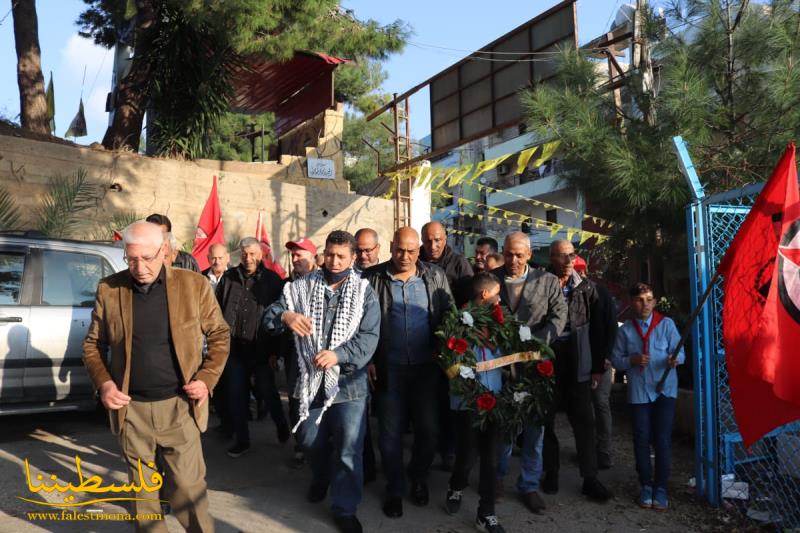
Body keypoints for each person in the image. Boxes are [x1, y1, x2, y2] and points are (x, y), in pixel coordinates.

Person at [82, 221, 230, 533]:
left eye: (147, 258)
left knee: (189, 491)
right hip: (131, 410)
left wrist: (206, 378)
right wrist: (104, 384)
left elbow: (219, 335)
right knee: (143, 497)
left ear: (164, 250)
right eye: (131, 258)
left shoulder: (193, 285)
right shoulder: (110, 289)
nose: (139, 267)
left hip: (179, 407)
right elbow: (93, 345)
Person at [263, 231, 380, 533]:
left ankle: (344, 507)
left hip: (349, 384)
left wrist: (339, 355)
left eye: (342, 256)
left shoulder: (364, 291)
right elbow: (270, 318)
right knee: (308, 440)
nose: (334, 261)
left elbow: (369, 339)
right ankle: (321, 477)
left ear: (354, 258)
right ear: (323, 254)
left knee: (348, 449)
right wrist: (286, 316)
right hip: (309, 381)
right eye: (330, 254)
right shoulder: (300, 286)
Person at [363, 227, 454, 519]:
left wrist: (446, 349)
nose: (405, 256)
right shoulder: (372, 278)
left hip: (426, 370)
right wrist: (368, 358)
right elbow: (359, 323)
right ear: (391, 246)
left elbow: (449, 315)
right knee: (389, 436)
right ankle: (395, 488)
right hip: (389, 369)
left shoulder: (434, 276)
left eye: (411, 251)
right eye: (400, 249)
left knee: (429, 431)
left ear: (420, 251)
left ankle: (418, 478)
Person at [490, 232, 566, 515]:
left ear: (530, 255)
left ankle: (529, 485)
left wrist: (537, 344)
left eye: (519, 255)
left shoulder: (546, 281)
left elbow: (559, 316)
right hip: (502, 366)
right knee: (504, 426)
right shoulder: (491, 279)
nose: (513, 260)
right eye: (509, 253)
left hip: (536, 366)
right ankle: (497, 478)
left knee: (535, 428)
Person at [540, 240, 616, 502]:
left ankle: (590, 477)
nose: (570, 260)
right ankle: (551, 471)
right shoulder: (540, 283)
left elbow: (603, 329)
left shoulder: (589, 289)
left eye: (572, 254)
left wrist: (598, 366)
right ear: (552, 258)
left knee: (585, 420)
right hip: (548, 357)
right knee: (545, 418)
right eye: (563, 256)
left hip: (579, 360)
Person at [610, 282, 684, 510]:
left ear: (654, 301)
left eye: (649, 299)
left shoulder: (667, 325)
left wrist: (675, 359)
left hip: (665, 389)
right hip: (639, 390)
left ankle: (661, 487)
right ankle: (646, 485)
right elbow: (615, 360)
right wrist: (630, 360)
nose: (645, 304)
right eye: (640, 300)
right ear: (631, 302)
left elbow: (680, 352)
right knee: (641, 438)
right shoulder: (625, 331)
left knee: (662, 439)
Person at [445, 272, 507, 533]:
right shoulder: (457, 322)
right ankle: (456, 486)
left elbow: (510, 350)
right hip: (467, 399)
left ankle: (487, 513)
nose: (500, 299)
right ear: (484, 294)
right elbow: (449, 360)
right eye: (497, 294)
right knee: (467, 455)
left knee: (491, 458)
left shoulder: (501, 319)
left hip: (494, 397)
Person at [216, 237, 289, 457]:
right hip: (234, 351)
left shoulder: (273, 281)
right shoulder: (228, 278)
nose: (248, 258)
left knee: (268, 393)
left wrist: (276, 352)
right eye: (244, 254)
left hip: (261, 351)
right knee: (237, 397)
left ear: (261, 255)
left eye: (253, 254)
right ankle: (242, 440)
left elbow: (279, 318)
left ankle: (281, 425)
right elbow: (216, 309)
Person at [420, 221, 472, 472]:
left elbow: (470, 301)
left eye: (438, 240)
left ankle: (449, 450)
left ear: (446, 238)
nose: (433, 245)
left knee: (449, 400)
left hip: (451, 343)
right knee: (425, 401)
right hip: (420, 341)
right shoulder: (414, 259)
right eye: (428, 240)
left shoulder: (459, 263)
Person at [281, 237, 319, 468]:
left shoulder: (325, 282)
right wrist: (285, 316)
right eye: (293, 255)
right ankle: (301, 445)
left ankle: (319, 446)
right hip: (294, 356)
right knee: (296, 402)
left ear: (313, 258)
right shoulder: (286, 285)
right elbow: (274, 314)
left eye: (300, 255)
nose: (295, 260)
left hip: (320, 356)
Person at [353, 227, 381, 484]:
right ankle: (367, 467)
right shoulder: (346, 277)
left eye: (368, 250)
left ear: (378, 249)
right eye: (359, 250)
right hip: (359, 361)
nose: (363, 255)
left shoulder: (384, 275)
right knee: (360, 417)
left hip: (387, 358)